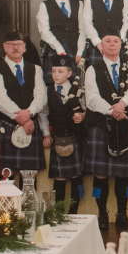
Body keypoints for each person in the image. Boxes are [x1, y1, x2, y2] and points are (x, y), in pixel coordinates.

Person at [83, 32, 128, 230]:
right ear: (101, 45)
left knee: (123, 175)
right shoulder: (93, 68)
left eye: (115, 41)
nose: (111, 44)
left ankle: (121, 213)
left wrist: (122, 104)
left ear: (121, 44)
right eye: (107, 41)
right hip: (102, 126)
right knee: (100, 175)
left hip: (124, 125)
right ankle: (101, 213)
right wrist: (113, 110)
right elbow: (91, 97)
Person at [0, 30, 47, 179]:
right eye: (11, 44)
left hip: (30, 128)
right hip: (6, 126)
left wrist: (30, 112)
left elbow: (41, 96)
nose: (15, 47)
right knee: (6, 177)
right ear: (4, 47)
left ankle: (27, 204)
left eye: (19, 44)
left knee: (29, 178)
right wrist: (23, 118)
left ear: (24, 48)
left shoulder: (35, 69)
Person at [40, 55, 88, 213]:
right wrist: (47, 134)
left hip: (75, 138)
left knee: (76, 177)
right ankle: (58, 213)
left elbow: (86, 108)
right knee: (59, 179)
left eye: (60, 71)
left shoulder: (78, 90)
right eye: (53, 71)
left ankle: (73, 212)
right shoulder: (47, 90)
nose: (56, 74)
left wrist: (81, 116)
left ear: (69, 74)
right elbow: (43, 114)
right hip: (58, 137)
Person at [36, 0, 86, 83]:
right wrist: (58, 48)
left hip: (74, 51)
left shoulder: (78, 3)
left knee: (75, 84)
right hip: (54, 50)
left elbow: (82, 30)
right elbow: (44, 31)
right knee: (53, 85)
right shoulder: (45, 5)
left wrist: (79, 51)